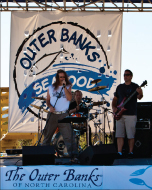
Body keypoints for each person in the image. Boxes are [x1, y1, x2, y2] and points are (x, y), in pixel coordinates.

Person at [42, 69, 78, 157]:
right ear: (57, 78)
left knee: (69, 136)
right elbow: (47, 100)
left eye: (63, 77)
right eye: (60, 77)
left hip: (63, 114)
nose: (62, 78)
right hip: (53, 114)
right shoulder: (50, 87)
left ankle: (73, 156)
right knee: (47, 136)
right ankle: (43, 156)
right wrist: (50, 106)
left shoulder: (68, 86)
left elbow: (69, 98)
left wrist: (64, 87)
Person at [112, 69, 143, 158]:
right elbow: (115, 99)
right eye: (124, 75)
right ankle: (119, 152)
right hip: (119, 113)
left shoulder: (135, 86)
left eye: (127, 75)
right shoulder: (120, 87)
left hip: (131, 114)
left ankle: (130, 152)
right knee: (119, 134)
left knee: (130, 135)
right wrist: (114, 107)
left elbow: (139, 97)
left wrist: (140, 93)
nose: (125, 76)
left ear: (131, 76)